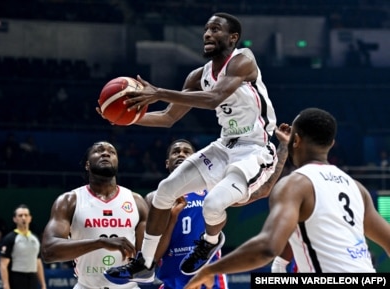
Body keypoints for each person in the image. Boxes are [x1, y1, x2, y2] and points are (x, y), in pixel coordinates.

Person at [102, 12, 278, 284]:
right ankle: (145, 263)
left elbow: (214, 98)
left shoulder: (244, 60)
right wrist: (126, 119)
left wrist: (158, 92)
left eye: (216, 29)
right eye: (206, 29)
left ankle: (210, 240)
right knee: (164, 192)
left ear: (233, 37)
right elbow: (168, 118)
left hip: (255, 148)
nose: (208, 34)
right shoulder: (198, 76)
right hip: (225, 144)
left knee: (213, 204)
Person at [183, 107, 390, 288]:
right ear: (332, 143)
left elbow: (267, 247)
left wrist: (209, 270)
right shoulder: (356, 188)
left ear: (296, 139)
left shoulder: (295, 185)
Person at [40, 141, 149, 289]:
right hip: (86, 286)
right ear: (87, 165)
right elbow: (48, 252)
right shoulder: (69, 201)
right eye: (99, 151)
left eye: (112, 152)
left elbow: (148, 257)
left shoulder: (136, 202)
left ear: (117, 163)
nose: (106, 153)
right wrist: (100, 243)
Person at [144, 139, 229, 289]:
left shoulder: (212, 189)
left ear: (196, 160)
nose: (181, 154)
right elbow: (154, 256)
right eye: (176, 152)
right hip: (172, 278)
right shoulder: (153, 198)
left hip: (207, 278)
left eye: (186, 152)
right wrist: (172, 218)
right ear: (167, 163)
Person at [0, 204, 47, 289]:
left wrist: (43, 284)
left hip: (32, 278)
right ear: (15, 219)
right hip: (16, 278)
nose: (23, 218)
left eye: (26, 215)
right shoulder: (10, 239)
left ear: (30, 218)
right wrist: (6, 285)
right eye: (20, 216)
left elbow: (38, 262)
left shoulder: (35, 239)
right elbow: (3, 264)